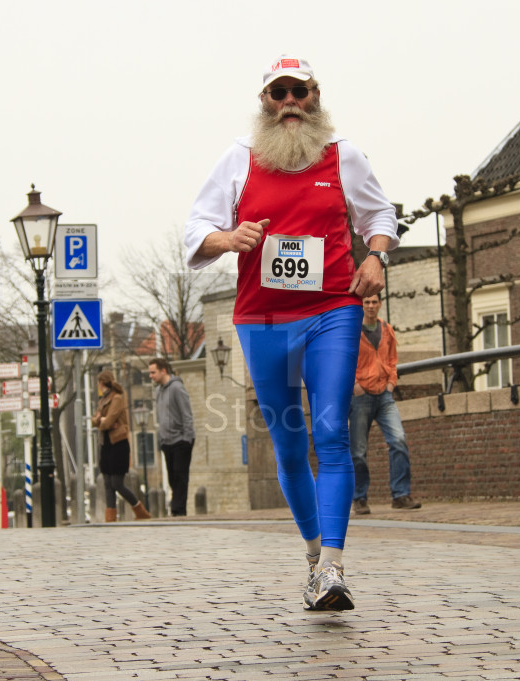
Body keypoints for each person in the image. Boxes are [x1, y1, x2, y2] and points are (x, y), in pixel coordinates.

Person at [184, 54, 399, 611]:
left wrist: (374, 258)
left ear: (315, 96)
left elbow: (381, 216)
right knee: (287, 442)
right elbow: (195, 231)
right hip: (263, 319)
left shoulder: (343, 156)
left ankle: (333, 566)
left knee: (330, 435)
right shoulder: (239, 160)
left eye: (299, 93)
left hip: (332, 308)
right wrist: (229, 239)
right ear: (264, 102)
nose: (289, 105)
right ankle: (311, 556)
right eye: (278, 93)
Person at [350, 295, 422, 515]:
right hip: (360, 396)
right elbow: (344, 359)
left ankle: (400, 495)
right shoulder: (352, 332)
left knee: (399, 439)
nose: (371, 306)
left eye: (374, 302)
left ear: (380, 304)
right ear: (361, 305)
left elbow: (392, 359)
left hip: (384, 395)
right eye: (367, 302)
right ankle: (359, 498)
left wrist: (392, 382)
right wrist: (354, 384)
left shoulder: (386, 329)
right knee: (358, 451)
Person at [92, 369, 151, 522]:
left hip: (118, 445)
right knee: (107, 484)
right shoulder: (102, 401)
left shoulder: (117, 399)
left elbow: (108, 421)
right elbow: (95, 420)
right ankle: (110, 518)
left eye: (98, 383)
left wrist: (102, 421)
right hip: (106, 444)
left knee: (117, 483)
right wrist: (100, 420)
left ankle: (140, 510)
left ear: (102, 383)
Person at [147, 358, 195, 517]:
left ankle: (178, 511)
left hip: (181, 440)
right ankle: (176, 509)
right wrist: (161, 439)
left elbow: (186, 414)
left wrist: (187, 438)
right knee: (172, 478)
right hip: (167, 441)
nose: (151, 376)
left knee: (180, 477)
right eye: (149, 373)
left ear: (163, 371)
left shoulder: (177, 388)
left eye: (153, 372)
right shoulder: (158, 391)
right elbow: (161, 417)